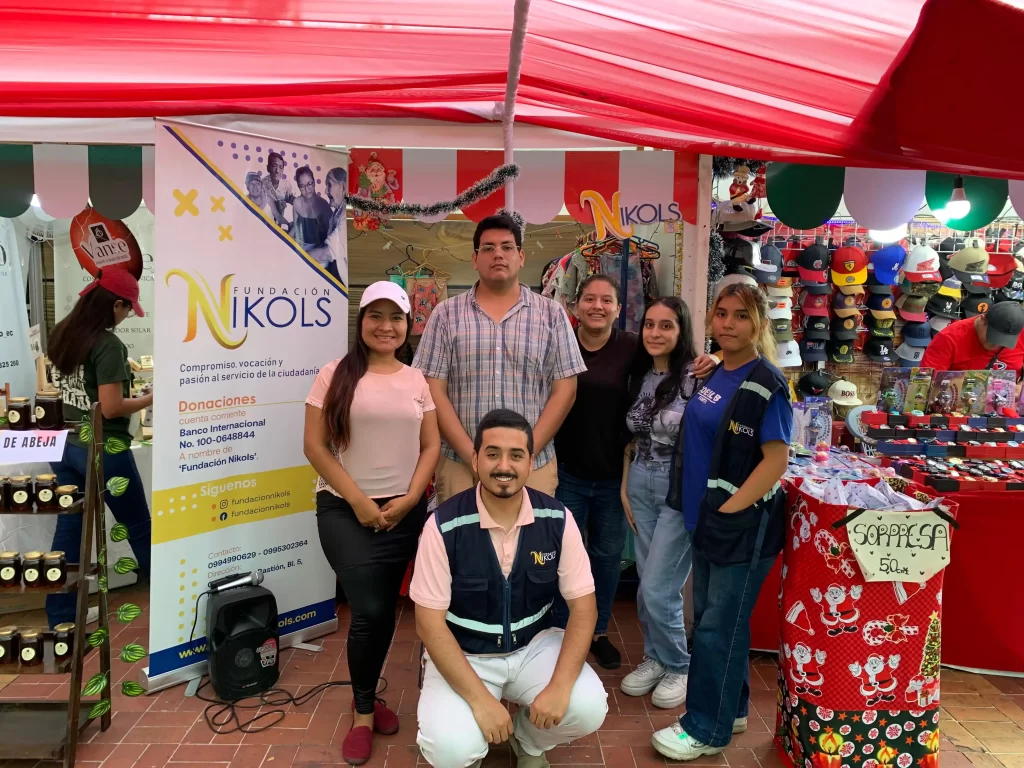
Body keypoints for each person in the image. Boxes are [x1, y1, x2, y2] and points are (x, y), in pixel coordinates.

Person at [411, 409, 608, 768]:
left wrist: (560, 687)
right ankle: (471, 746)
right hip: (466, 653)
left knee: (587, 707)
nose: (504, 466)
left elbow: (584, 608)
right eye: (493, 454)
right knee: (452, 750)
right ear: (475, 460)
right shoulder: (442, 526)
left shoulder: (558, 519)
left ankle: (527, 741)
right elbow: (428, 623)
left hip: (534, 646)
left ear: (531, 462)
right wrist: (481, 702)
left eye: (516, 455)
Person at [652, 282, 792, 761]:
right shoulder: (717, 371)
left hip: (739, 527)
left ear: (760, 323)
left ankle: (705, 729)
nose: (729, 324)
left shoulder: (767, 383)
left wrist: (731, 509)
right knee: (722, 623)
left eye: (741, 315)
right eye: (722, 314)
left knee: (715, 629)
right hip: (705, 521)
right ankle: (731, 711)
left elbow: (776, 459)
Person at [304, 281, 440, 765]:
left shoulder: (417, 379)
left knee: (384, 612)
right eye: (375, 316)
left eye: (396, 317)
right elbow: (315, 446)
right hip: (345, 510)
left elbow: (431, 445)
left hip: (403, 512)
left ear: (408, 325)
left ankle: (367, 695)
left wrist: (411, 498)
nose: (386, 326)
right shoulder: (333, 374)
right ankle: (363, 711)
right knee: (369, 609)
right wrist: (359, 500)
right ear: (361, 322)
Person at [414, 213, 586, 503]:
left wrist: (526, 452)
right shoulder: (445, 315)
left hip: (533, 465)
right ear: (475, 258)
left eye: (507, 247)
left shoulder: (552, 315)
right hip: (460, 465)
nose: (498, 254)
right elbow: (433, 391)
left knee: (530, 533)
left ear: (521, 256)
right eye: (488, 248)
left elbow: (565, 391)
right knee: (462, 533)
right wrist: (473, 454)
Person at [45, 269, 152, 628]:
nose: (126, 316)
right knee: (138, 526)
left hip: (65, 444)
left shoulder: (64, 333)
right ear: (115, 304)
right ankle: (173, 612)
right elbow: (110, 407)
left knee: (70, 530)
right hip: (104, 448)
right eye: (127, 309)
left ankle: (62, 618)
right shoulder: (107, 344)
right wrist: (151, 398)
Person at [618, 297, 701, 710]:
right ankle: (656, 657)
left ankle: (679, 665)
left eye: (666, 326)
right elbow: (633, 439)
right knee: (645, 579)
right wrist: (624, 485)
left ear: (681, 330)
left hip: (678, 487)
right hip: (639, 482)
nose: (655, 333)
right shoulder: (640, 374)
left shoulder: (697, 376)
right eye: (649, 324)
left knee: (659, 586)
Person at [920, 302, 1024, 378]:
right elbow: (927, 383)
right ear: (982, 320)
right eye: (992, 339)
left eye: (1004, 341)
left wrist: (1020, 387)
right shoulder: (948, 338)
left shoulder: (1020, 331)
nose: (995, 345)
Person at [291, 165, 340, 281]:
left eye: (309, 184)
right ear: (298, 186)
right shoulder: (297, 202)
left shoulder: (323, 205)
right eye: (302, 186)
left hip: (318, 250)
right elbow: (295, 227)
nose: (307, 189)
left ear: (314, 183)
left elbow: (331, 235)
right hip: (300, 246)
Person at [309, 166, 348, 275]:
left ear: (343, 187)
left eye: (329, 185)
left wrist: (298, 259)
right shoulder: (335, 215)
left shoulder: (349, 215)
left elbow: (326, 254)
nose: (326, 191)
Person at [262, 151, 294, 227]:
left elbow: (291, 204)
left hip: (282, 221)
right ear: (268, 168)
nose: (277, 171)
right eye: (274, 166)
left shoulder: (286, 185)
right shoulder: (261, 184)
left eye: (280, 167)